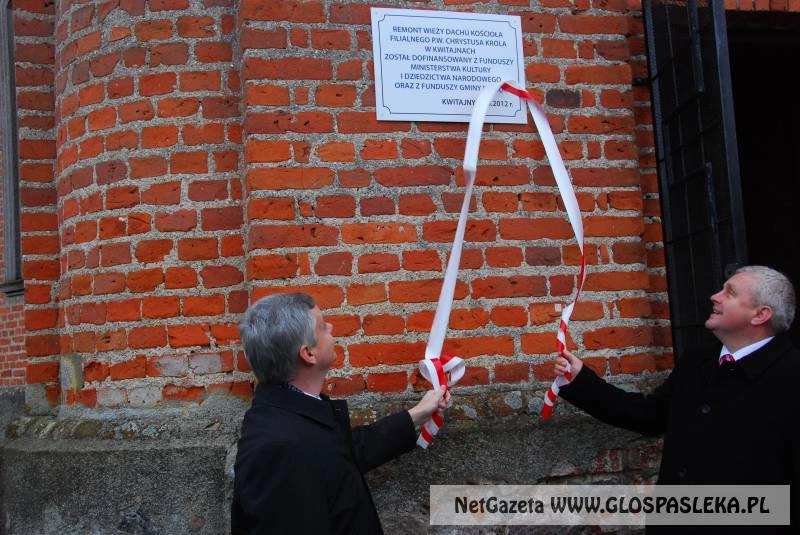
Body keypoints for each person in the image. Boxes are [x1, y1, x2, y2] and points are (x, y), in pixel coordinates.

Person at [554, 265, 799, 530]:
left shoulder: (791, 374)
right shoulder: (698, 360)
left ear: (760, 314)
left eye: (730, 293)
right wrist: (580, 379)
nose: (714, 296)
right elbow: (649, 416)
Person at [231, 292, 448, 534]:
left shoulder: (293, 410)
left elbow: (342, 454)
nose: (331, 327)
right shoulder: (279, 450)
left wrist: (417, 414)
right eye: (323, 326)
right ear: (308, 354)